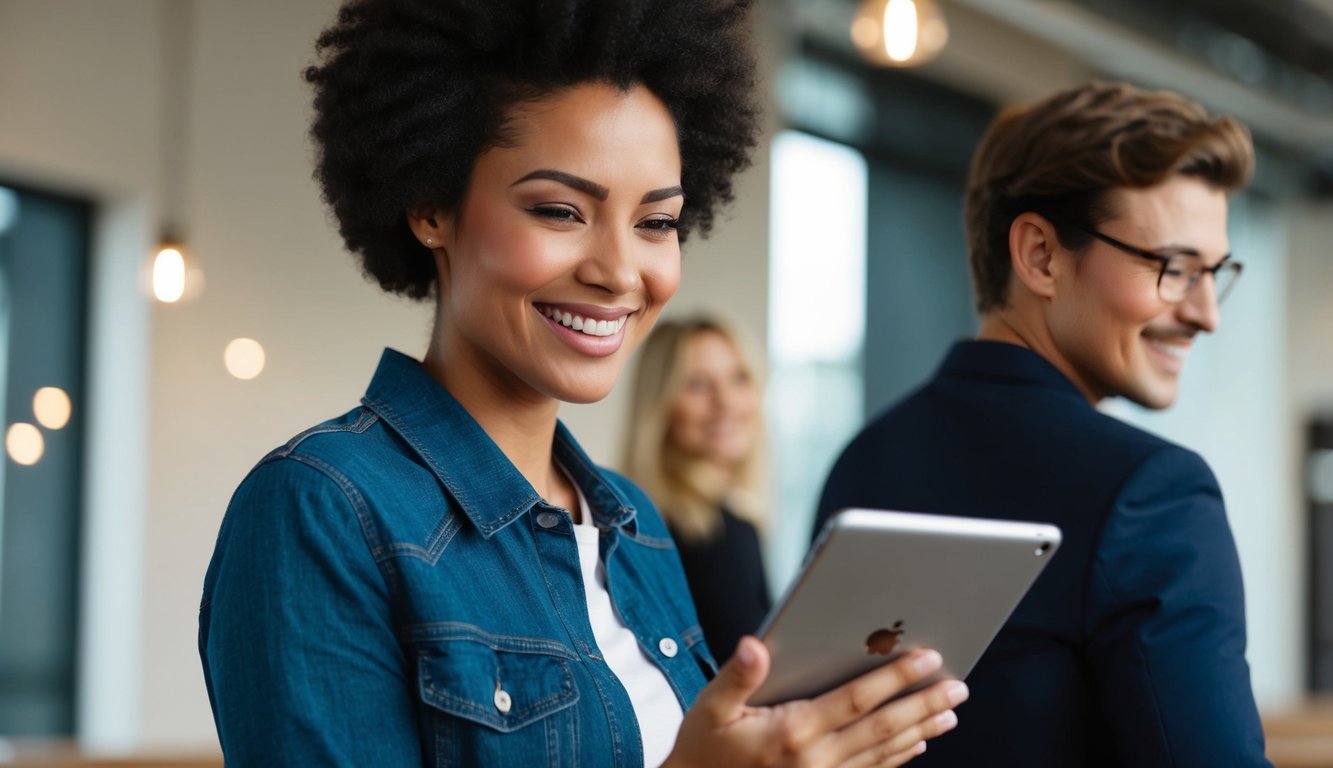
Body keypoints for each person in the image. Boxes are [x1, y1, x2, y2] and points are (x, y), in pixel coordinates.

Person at [198, 1, 967, 765]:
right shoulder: (320, 509)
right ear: (431, 206)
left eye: (656, 222)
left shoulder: (637, 528)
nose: (619, 271)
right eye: (561, 210)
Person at [813, 80, 1271, 766]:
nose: (1207, 313)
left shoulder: (860, 462)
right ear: (1039, 256)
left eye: (1214, 272)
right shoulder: (1153, 492)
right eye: (1173, 268)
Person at [623, 316, 771, 663]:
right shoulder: (710, 532)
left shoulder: (644, 520)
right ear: (661, 405)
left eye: (739, 378)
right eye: (698, 384)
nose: (727, 402)